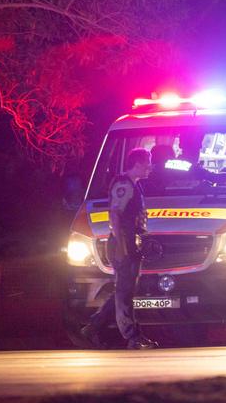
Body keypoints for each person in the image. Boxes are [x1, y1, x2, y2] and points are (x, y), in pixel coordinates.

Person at [81, 148, 158, 350]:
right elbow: (114, 214)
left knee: (125, 290)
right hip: (123, 243)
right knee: (124, 292)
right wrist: (122, 244)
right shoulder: (124, 184)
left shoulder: (135, 185)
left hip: (130, 242)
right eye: (148, 163)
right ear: (138, 164)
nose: (150, 167)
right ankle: (132, 337)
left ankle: (93, 327)